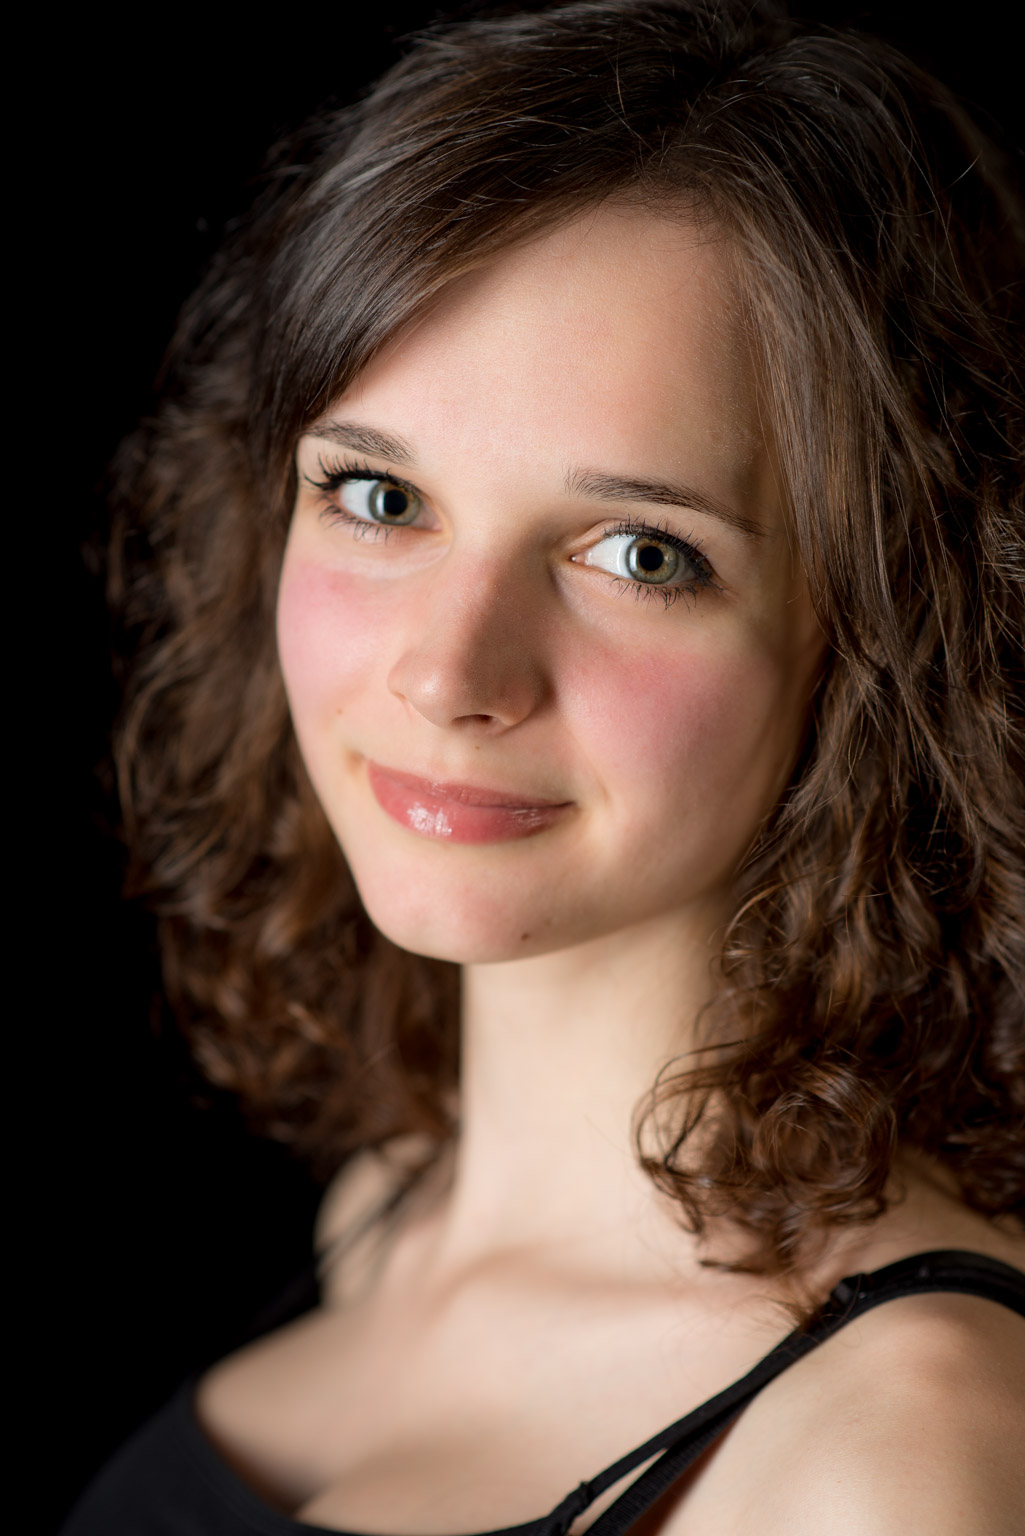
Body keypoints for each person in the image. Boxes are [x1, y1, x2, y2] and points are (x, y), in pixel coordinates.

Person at [63, 1, 1024, 1531]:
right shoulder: (386, 1207)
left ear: (885, 637)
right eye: (380, 498)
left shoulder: (892, 1454)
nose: (448, 676)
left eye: (640, 552)